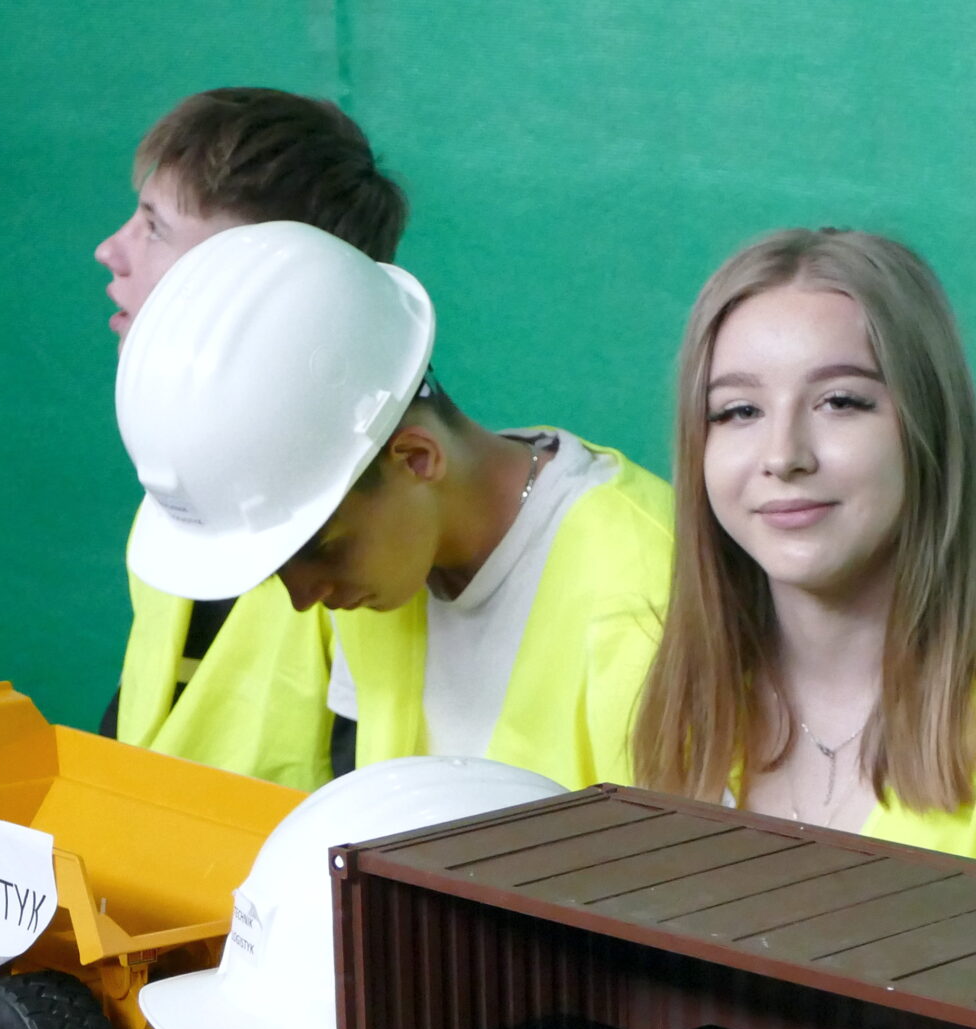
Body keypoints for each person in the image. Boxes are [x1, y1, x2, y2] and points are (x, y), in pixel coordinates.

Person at [629, 229, 976, 882]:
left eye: (840, 402)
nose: (783, 456)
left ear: (927, 428)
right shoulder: (656, 684)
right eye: (739, 411)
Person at [118, 222, 672, 789]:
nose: (304, 599)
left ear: (415, 458)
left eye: (320, 548)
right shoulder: (389, 568)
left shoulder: (649, 591)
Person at [96, 89, 407, 790]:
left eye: (155, 227)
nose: (111, 251)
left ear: (258, 271)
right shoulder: (186, 481)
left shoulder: (380, 547)